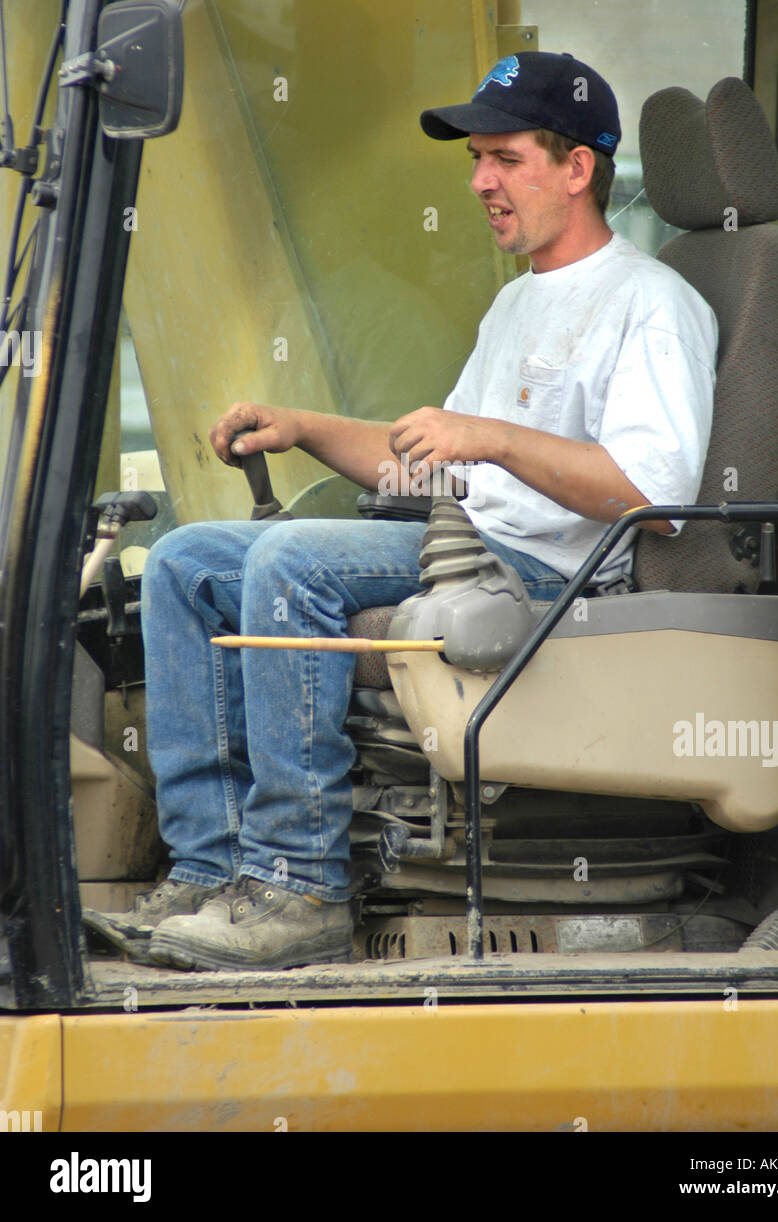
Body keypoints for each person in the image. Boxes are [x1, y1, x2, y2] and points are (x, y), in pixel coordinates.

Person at [101, 51, 718, 972]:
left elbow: (652, 500)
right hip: (461, 540)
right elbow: (433, 461)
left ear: (579, 167)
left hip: (549, 570)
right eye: (475, 161)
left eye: (504, 159)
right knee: (188, 564)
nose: (479, 182)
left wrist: (495, 441)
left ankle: (296, 886)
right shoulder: (518, 302)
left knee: (289, 565)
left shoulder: (653, 303)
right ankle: (210, 868)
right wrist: (304, 426)